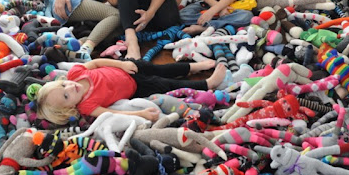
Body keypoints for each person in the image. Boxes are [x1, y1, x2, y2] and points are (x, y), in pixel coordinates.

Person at [35, 58, 225, 125]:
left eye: (63, 85)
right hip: (137, 87)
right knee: (165, 84)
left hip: (129, 69)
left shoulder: (75, 74)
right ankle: (207, 84)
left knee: (162, 68)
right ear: (69, 109)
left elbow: (97, 63)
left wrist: (122, 64)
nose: (70, 87)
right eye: (66, 95)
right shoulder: (86, 105)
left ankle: (194, 66)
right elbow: (112, 112)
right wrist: (140, 114)